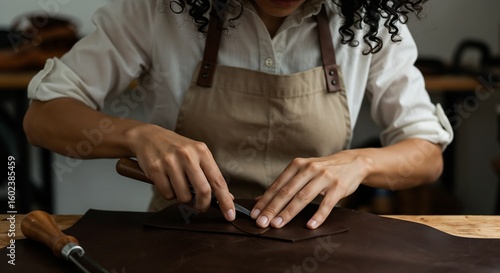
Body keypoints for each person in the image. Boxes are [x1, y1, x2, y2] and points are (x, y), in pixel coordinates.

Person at [23, 0, 453, 230]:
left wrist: (361, 162)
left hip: (315, 242)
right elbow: (43, 117)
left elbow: (427, 154)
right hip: (180, 239)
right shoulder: (157, 9)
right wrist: (137, 134)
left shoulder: (364, 21)